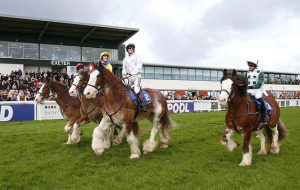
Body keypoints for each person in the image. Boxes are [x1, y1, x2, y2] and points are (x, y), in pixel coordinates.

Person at [122, 43, 146, 112]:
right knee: (122, 88)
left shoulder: (137, 56)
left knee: (136, 89)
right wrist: (124, 75)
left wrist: (131, 73)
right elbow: (124, 69)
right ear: (127, 49)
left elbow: (139, 67)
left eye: (132, 48)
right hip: (128, 77)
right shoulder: (125, 59)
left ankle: (142, 104)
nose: (131, 49)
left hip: (136, 76)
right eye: (129, 48)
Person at [246, 60, 269, 127]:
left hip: (258, 89)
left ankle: (264, 117)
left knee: (258, 97)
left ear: (255, 66)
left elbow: (259, 83)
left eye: (251, 65)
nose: (250, 67)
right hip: (249, 89)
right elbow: (245, 81)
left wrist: (252, 87)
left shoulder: (260, 72)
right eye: (249, 65)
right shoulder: (247, 73)